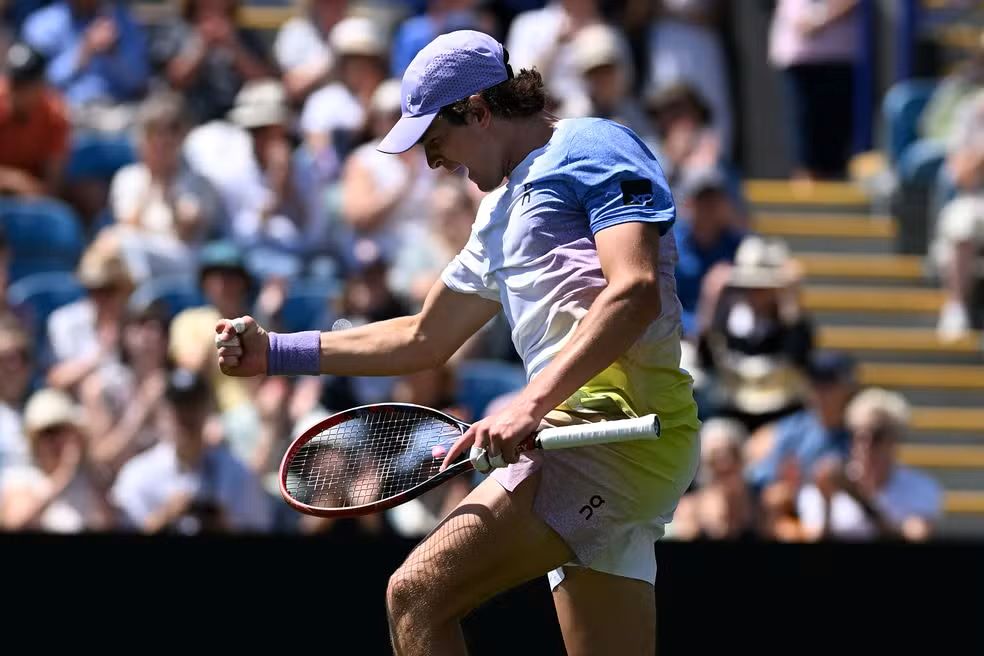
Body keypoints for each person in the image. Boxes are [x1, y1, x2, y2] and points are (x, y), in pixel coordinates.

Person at [214, 30, 700, 655]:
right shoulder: (496, 217)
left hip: (612, 431)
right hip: (604, 441)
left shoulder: (593, 145)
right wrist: (275, 353)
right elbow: (422, 336)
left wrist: (529, 403)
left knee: (414, 596)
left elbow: (634, 292)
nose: (433, 162)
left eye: (436, 141)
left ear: (479, 111)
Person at [797, 388, 943, 542]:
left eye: (877, 435)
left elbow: (916, 536)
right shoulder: (823, 484)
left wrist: (858, 498)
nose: (865, 444)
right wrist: (826, 503)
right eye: (858, 434)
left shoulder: (920, 487)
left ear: (894, 440)